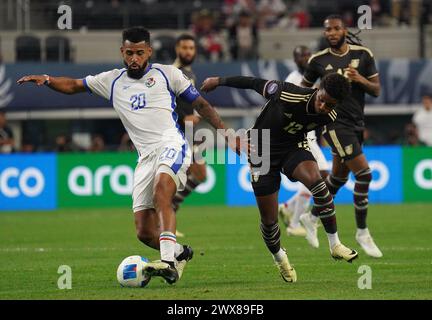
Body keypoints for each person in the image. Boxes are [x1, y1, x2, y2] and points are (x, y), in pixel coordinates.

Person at [17, 27, 237, 285]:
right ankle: (180, 253)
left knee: (161, 191)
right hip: (145, 157)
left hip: (171, 143)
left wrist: (226, 133)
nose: (134, 58)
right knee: (144, 232)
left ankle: (168, 264)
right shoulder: (112, 80)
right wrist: (48, 79)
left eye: (140, 53)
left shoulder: (168, 74)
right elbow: (75, 85)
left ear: (149, 52)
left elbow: (201, 104)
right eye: (129, 53)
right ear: (122, 52)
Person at [201, 72, 358, 283]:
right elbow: (253, 82)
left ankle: (335, 244)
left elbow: (324, 130)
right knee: (269, 220)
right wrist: (219, 80)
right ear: (317, 89)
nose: (323, 107)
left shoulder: (329, 115)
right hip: (261, 149)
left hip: (293, 148)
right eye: (322, 100)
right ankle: (280, 259)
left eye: (330, 105)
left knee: (319, 185)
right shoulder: (287, 93)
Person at [300, 15, 383, 258]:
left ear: (344, 30)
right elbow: (304, 93)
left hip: (357, 123)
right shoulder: (317, 60)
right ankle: (362, 231)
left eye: (336, 29)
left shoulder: (363, 55)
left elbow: (377, 90)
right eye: (328, 30)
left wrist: (359, 79)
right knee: (364, 174)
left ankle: (310, 215)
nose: (332, 33)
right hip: (334, 124)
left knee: (337, 178)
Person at [278, 45, 331, 238]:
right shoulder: (293, 79)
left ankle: (288, 207)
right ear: (295, 59)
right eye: (302, 56)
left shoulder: (317, 76)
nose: (306, 58)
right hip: (301, 134)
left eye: (308, 55)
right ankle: (293, 222)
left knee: (320, 175)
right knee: (321, 174)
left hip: (310, 134)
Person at [172, 34, 207, 237]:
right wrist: (184, 118)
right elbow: (169, 102)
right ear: (177, 48)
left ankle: (171, 206)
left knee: (200, 174)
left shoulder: (189, 74)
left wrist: (195, 114)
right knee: (182, 176)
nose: (188, 52)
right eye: (184, 47)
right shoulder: (173, 72)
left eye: (191, 48)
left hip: (189, 133)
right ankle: (165, 215)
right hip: (177, 133)